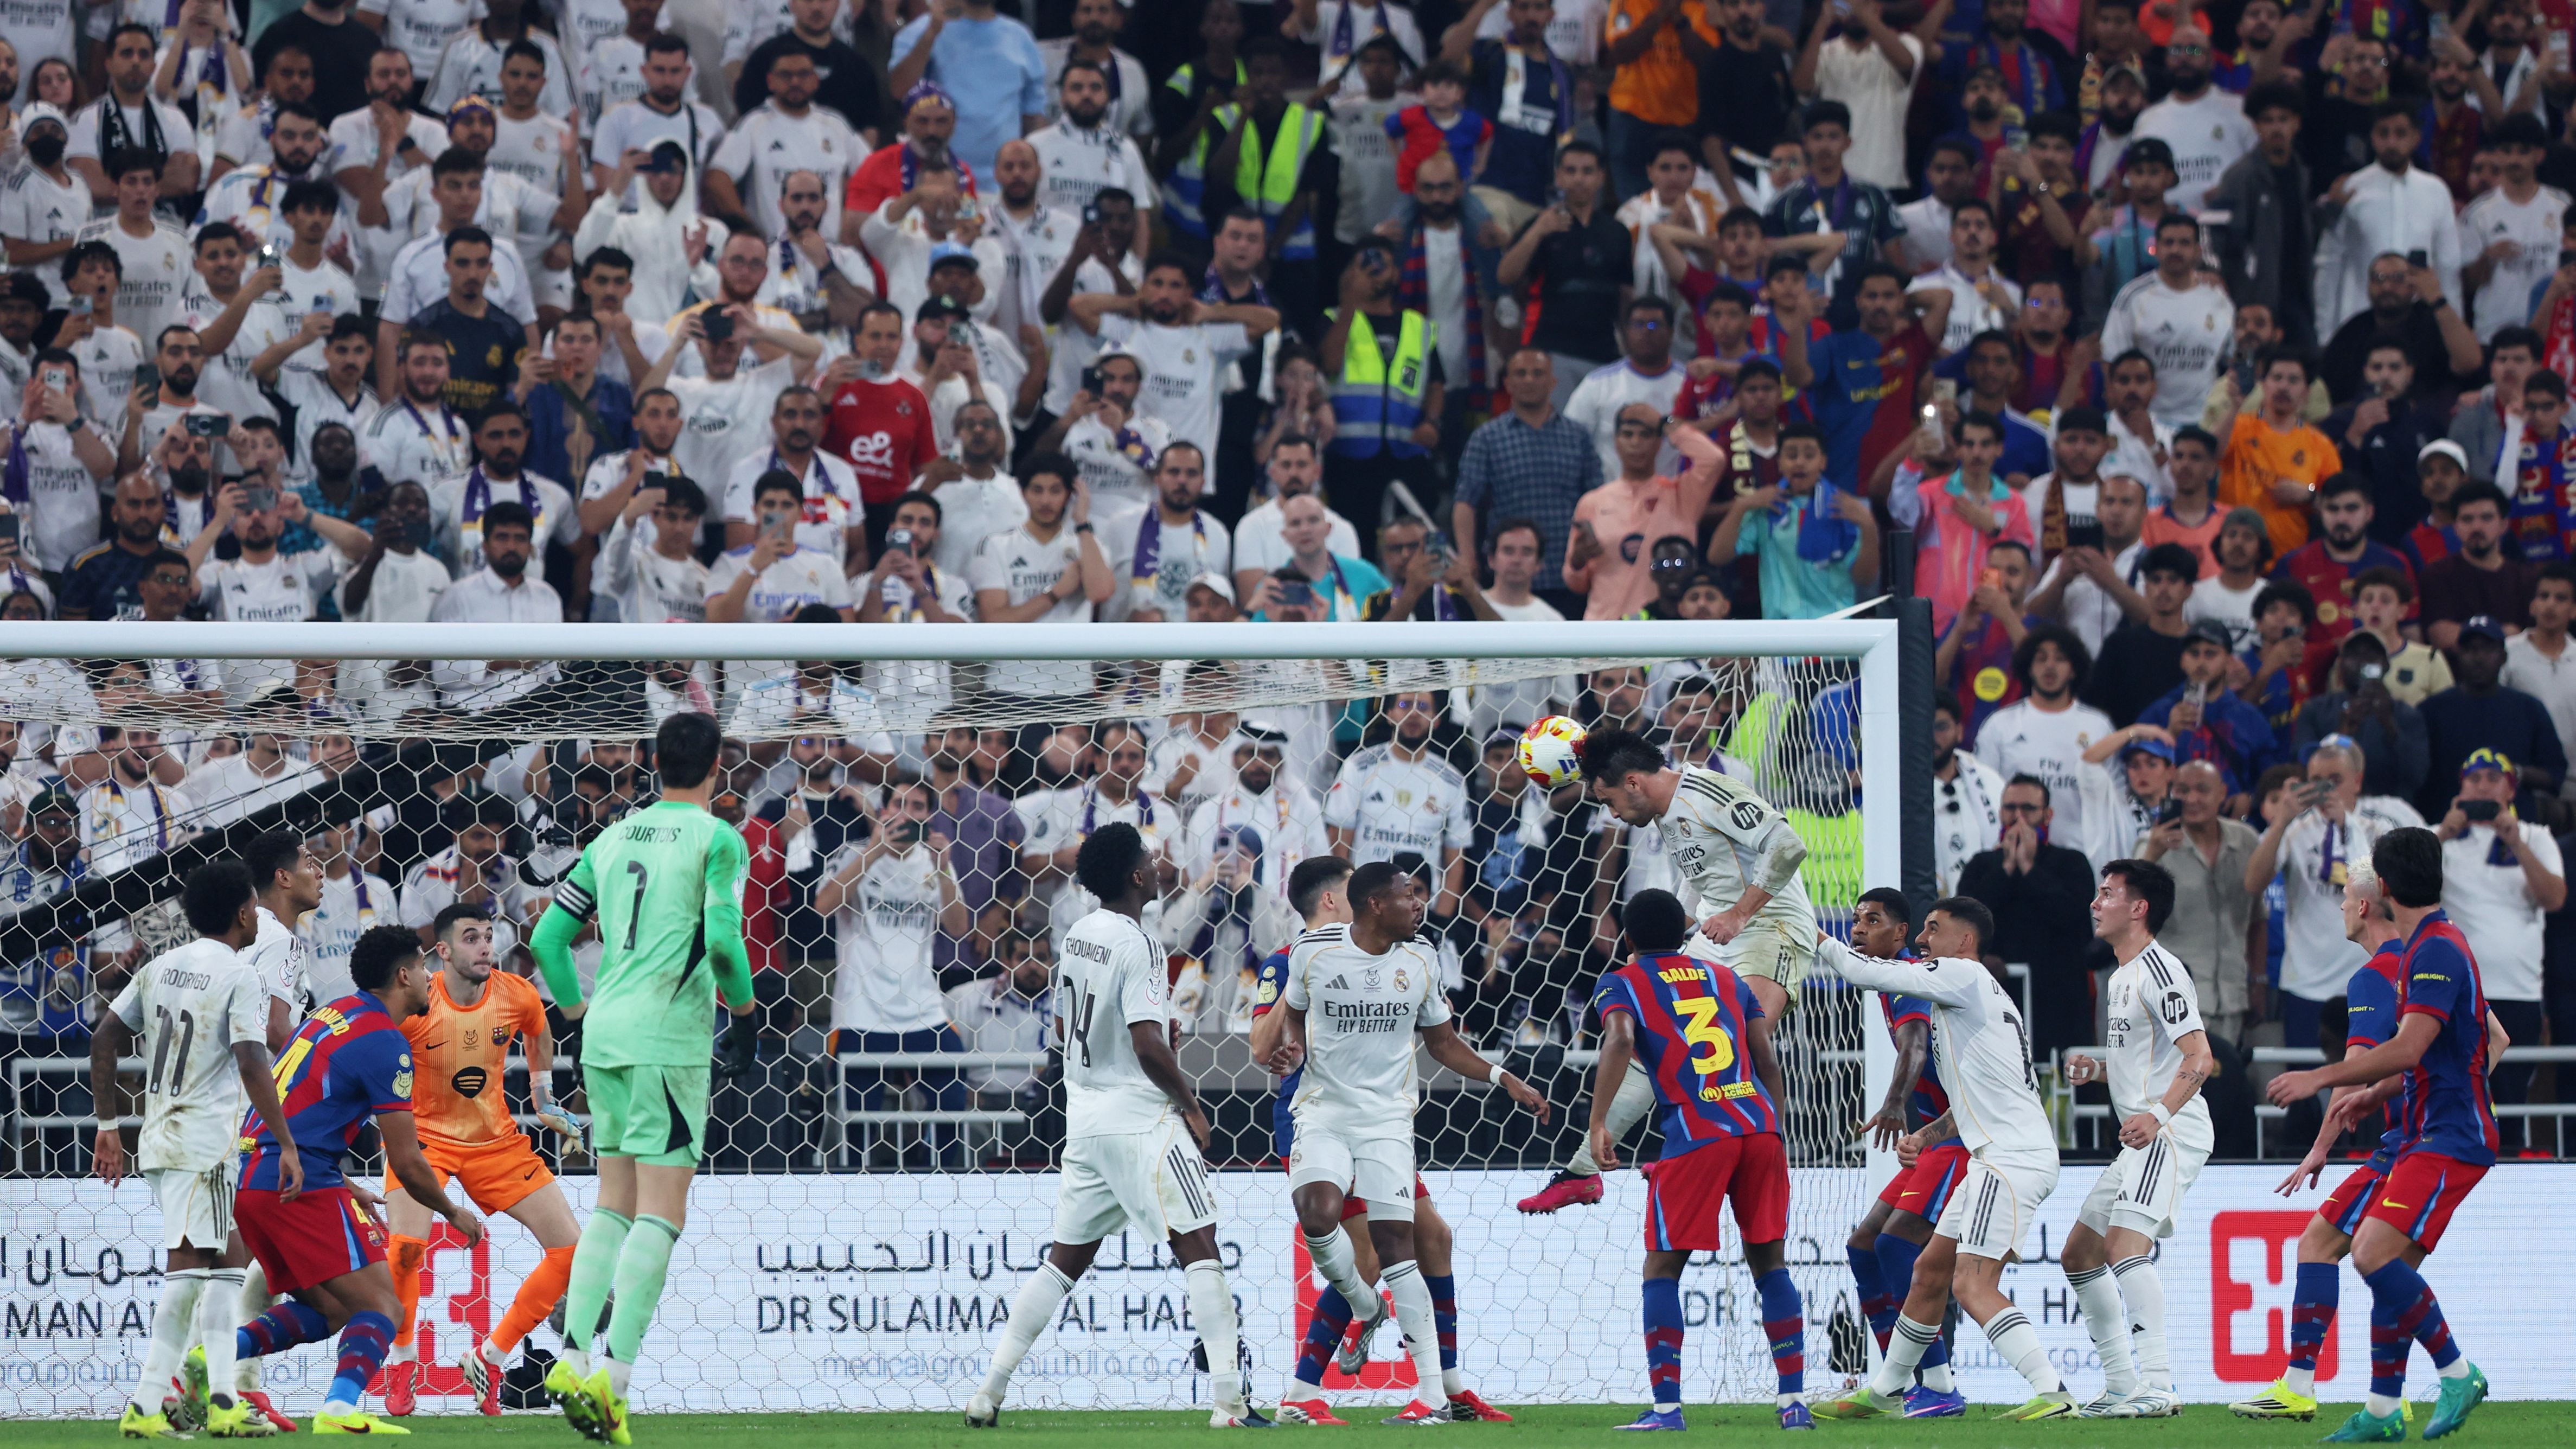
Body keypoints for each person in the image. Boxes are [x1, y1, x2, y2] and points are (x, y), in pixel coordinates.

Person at [966, 819, 1265, 1425]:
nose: (1160, 865)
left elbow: (1066, 1026)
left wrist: (1149, 1032)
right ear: (1135, 875)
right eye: (1152, 859)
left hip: (1086, 1118)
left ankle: (987, 1392)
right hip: (1137, 1119)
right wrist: (1190, 1103)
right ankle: (1229, 1402)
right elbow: (1149, 1047)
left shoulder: (1079, 934)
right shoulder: (1141, 943)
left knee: (1063, 1261)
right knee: (1201, 1244)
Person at [526, 712, 758, 1442]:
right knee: (663, 1211)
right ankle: (615, 1379)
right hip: (667, 1038)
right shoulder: (719, 838)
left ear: (652, 762)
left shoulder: (611, 836)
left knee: (614, 1204)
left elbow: (545, 938)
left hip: (606, 1035)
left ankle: (571, 1356)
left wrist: (572, 1010)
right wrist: (747, 1012)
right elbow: (721, 937)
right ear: (718, 766)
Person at [1260, 858, 1548, 1425]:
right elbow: (1286, 1020)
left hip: (1387, 1121)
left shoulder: (1420, 959)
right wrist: (1288, 1046)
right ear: (1373, 904)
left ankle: (1433, 1392)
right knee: (1315, 1218)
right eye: (1410, 895)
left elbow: (1442, 1043)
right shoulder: (1312, 951)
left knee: (1408, 1242)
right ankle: (1362, 1318)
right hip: (1321, 1112)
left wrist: (1501, 1076)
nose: (1421, 904)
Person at [2229, 860, 2511, 1424]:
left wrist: (2321, 1145)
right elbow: (2496, 1037)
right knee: (2380, 1263)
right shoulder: (2431, 955)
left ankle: (2305, 1386)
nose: (2338, 906)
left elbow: (2354, 1071)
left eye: (2342, 897)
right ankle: (2384, 1403)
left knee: (2331, 1246)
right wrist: (2453, 1089)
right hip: (2427, 1133)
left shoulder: (2373, 977)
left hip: (2413, 1145)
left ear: (2364, 906)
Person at [1518, 726, 1818, 1214]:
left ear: (1633, 782)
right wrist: (1665, 944)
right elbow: (1698, 876)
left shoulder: (1709, 792)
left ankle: (1709, 1152)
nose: (1612, 813)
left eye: (1610, 800)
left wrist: (1740, 913)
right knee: (1650, 1042)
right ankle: (1580, 1173)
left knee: (1735, 1042)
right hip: (1718, 928)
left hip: (1773, 927)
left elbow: (1787, 846)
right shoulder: (1664, 810)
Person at [1812, 897, 2078, 1421]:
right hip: (1994, 1153)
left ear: (1965, 942)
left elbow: (1863, 970)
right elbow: (1971, 1103)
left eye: (1933, 930)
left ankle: (2053, 1390)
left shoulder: (1962, 975)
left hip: (2009, 1159)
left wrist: (1810, 930)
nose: (1921, 941)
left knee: (1970, 1282)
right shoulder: (1978, 1002)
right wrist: (1929, 1134)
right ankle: (1891, 1390)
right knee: (1929, 1269)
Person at [223, 924, 484, 1435]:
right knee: (383, 1305)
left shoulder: (332, 1011)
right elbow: (407, 1163)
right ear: (403, 974)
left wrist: (344, 1184)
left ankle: (211, 1356)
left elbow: (301, 1107)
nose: (431, 978)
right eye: (423, 968)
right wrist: (454, 1212)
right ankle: (339, 1410)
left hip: (255, 1178)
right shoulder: (386, 1042)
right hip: (297, 1182)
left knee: (335, 1309)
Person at [90, 861, 296, 1440]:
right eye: (255, 905)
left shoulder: (161, 966)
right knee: (190, 1269)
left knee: (229, 1263)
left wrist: (109, 1125)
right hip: (203, 1142)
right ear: (241, 912)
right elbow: (254, 1060)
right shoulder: (238, 973)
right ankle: (147, 1403)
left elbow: (104, 1035)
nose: (258, 914)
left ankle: (224, 1399)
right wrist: (285, 1141)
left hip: (164, 1135)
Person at [1588, 887, 1805, 1431]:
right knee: (1770, 1264)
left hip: (1696, 1129)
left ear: (1629, 938)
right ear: (1685, 933)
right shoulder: (1727, 978)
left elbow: (1618, 1040)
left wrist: (1598, 1122)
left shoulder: (1622, 980)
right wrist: (1772, 1124)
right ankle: (1793, 1403)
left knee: (1662, 1269)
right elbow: (1766, 1059)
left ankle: (1666, 1409)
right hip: (1758, 1125)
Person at [376, 905, 583, 1418]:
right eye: (471, 938)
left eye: (489, 936)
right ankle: (402, 1362)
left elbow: (538, 1030)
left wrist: (542, 1097)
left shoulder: (516, 993)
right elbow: (374, 1058)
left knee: (572, 1251)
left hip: (497, 1142)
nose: (486, 946)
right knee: (404, 1249)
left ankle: (490, 1356)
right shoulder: (415, 1007)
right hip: (425, 1141)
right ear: (441, 951)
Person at [2056, 859, 2213, 1418]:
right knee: (2078, 1253)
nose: (2096, 903)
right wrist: (2097, 1071)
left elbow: (2200, 1056)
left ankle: (2159, 1383)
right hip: (2144, 1132)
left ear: (2138, 907)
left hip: (2170, 1130)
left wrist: (2158, 1116)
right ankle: (2122, 1384)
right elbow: (2155, 1061)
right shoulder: (2121, 974)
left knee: (2125, 1246)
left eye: (2107, 894)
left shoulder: (2160, 970)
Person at [2245, 738, 2426, 1054]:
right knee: (2306, 1094)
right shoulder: (2295, 828)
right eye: (2317, 781)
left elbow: (2390, 891)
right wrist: (2281, 821)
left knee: (2369, 1088)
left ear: (2357, 781)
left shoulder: (2379, 828)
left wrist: (2347, 826)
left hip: (2374, 978)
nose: (2325, 789)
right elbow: (2253, 883)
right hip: (2307, 985)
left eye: (2335, 781)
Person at [1453, 348, 1598, 610]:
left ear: (1553, 382)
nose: (1529, 380)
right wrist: (1467, 557)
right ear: (1507, 384)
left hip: (1567, 572)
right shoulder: (1487, 437)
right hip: (1509, 574)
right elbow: (1466, 501)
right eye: (1521, 373)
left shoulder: (1579, 436)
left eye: (1538, 373)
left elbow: (1597, 500)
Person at [2316, 107, 2466, 338]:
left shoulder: (2435, 190)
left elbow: (2448, 265)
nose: (2391, 142)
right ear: (2373, 138)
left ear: (2416, 138)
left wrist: (2454, 331)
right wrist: (2325, 333)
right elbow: (2330, 264)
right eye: (2383, 134)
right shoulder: (2351, 189)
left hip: (2422, 322)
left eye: (2400, 133)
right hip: (2360, 317)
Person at [1497, 142, 1631, 401]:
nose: (1579, 179)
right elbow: (1505, 275)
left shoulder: (1617, 233)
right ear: (1559, 176)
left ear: (1601, 177)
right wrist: (1538, 231)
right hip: (1552, 351)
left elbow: (1626, 295)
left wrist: (1630, 350)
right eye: (1571, 171)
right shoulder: (1542, 224)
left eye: (1587, 171)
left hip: (1604, 353)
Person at [1705, 419, 1876, 621]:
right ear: (1780, 462)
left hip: (1834, 633)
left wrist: (1868, 526)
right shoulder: (1766, 508)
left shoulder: (1847, 509)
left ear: (1823, 461)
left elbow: (1865, 579)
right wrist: (1741, 506)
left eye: (1809, 455)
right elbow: (1716, 556)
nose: (1800, 462)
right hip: (1782, 635)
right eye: (1792, 455)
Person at [2420, 616, 2568, 821]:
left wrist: (2515, 773)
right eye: (2471, 649)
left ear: (2503, 657)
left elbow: (2555, 774)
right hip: (2448, 825)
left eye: (2487, 649)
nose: (2479, 657)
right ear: (2459, 655)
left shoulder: (2529, 709)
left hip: (2515, 829)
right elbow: (2416, 775)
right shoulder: (2432, 710)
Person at [2102, 214, 2234, 432]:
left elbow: (2233, 358)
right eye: (2169, 242)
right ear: (2157, 247)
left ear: (2198, 250)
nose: (2176, 250)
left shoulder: (2218, 298)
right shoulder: (2133, 296)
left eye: (2184, 243)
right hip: (2150, 423)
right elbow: (2111, 360)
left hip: (2204, 424)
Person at [2221, 349, 2342, 561]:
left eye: (2294, 380)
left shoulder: (2321, 445)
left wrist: (2309, 493)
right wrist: (2234, 407)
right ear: (2264, 384)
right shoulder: (2239, 426)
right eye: (2277, 378)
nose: (2284, 387)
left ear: (2306, 391)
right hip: (2233, 557)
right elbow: (2210, 454)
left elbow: (2337, 504)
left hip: (2288, 562)